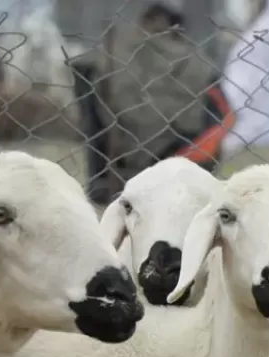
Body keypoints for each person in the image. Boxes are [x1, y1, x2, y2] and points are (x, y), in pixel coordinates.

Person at [77, 0, 235, 204]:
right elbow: (225, 118)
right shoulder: (198, 63)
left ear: (141, 24)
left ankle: (99, 184)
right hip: (181, 161)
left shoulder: (111, 56)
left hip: (121, 164)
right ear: (178, 29)